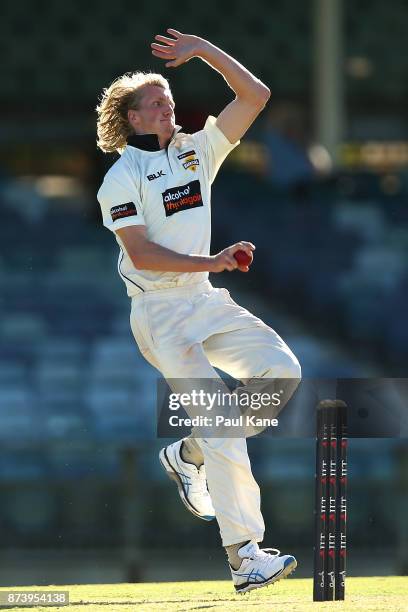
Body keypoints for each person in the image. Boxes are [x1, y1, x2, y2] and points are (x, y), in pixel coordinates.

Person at [96, 28, 301, 593]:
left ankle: (188, 454)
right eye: (157, 103)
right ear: (133, 120)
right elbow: (139, 251)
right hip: (160, 316)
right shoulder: (121, 178)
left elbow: (254, 95)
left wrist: (204, 50)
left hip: (205, 301)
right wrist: (211, 260)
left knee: (282, 376)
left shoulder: (196, 150)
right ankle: (246, 557)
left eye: (168, 98)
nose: (169, 107)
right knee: (223, 427)